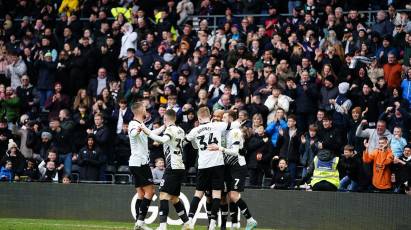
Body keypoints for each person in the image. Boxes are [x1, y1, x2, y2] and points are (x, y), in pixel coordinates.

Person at [185, 107, 237, 230]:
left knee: (198, 194)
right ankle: (213, 223)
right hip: (217, 164)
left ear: (199, 118)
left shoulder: (195, 130)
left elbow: (187, 142)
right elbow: (234, 124)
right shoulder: (218, 126)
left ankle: (190, 220)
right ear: (210, 115)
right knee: (217, 194)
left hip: (203, 166)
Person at [208, 110, 258, 230]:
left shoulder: (236, 132)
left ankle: (250, 220)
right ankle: (236, 223)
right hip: (228, 167)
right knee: (228, 196)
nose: (222, 119)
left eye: (224, 117)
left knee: (234, 195)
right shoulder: (224, 131)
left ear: (231, 119)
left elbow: (235, 152)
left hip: (238, 167)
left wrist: (219, 148)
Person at [141, 109, 190, 230]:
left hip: (172, 166)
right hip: (180, 166)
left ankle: (162, 226)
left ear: (165, 119)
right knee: (174, 198)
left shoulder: (170, 129)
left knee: (163, 195)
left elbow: (162, 140)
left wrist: (147, 131)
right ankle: (187, 223)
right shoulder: (181, 130)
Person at [128, 102, 154, 230]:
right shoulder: (134, 124)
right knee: (150, 191)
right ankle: (140, 222)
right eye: (144, 108)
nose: (146, 110)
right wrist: (137, 131)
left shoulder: (141, 124)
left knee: (141, 194)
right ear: (139, 111)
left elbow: (151, 134)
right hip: (140, 163)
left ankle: (138, 223)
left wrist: (164, 127)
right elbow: (133, 133)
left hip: (136, 163)